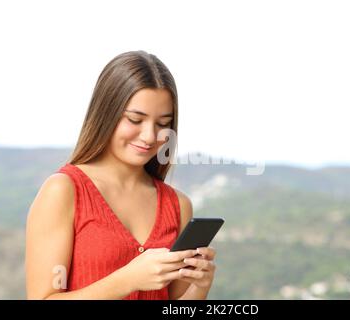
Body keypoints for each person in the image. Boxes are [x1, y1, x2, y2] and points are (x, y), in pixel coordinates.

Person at [25, 51, 217, 299]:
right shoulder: (64, 191)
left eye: (162, 124)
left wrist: (200, 285)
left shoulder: (178, 206)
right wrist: (127, 280)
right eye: (135, 119)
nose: (149, 136)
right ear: (106, 113)